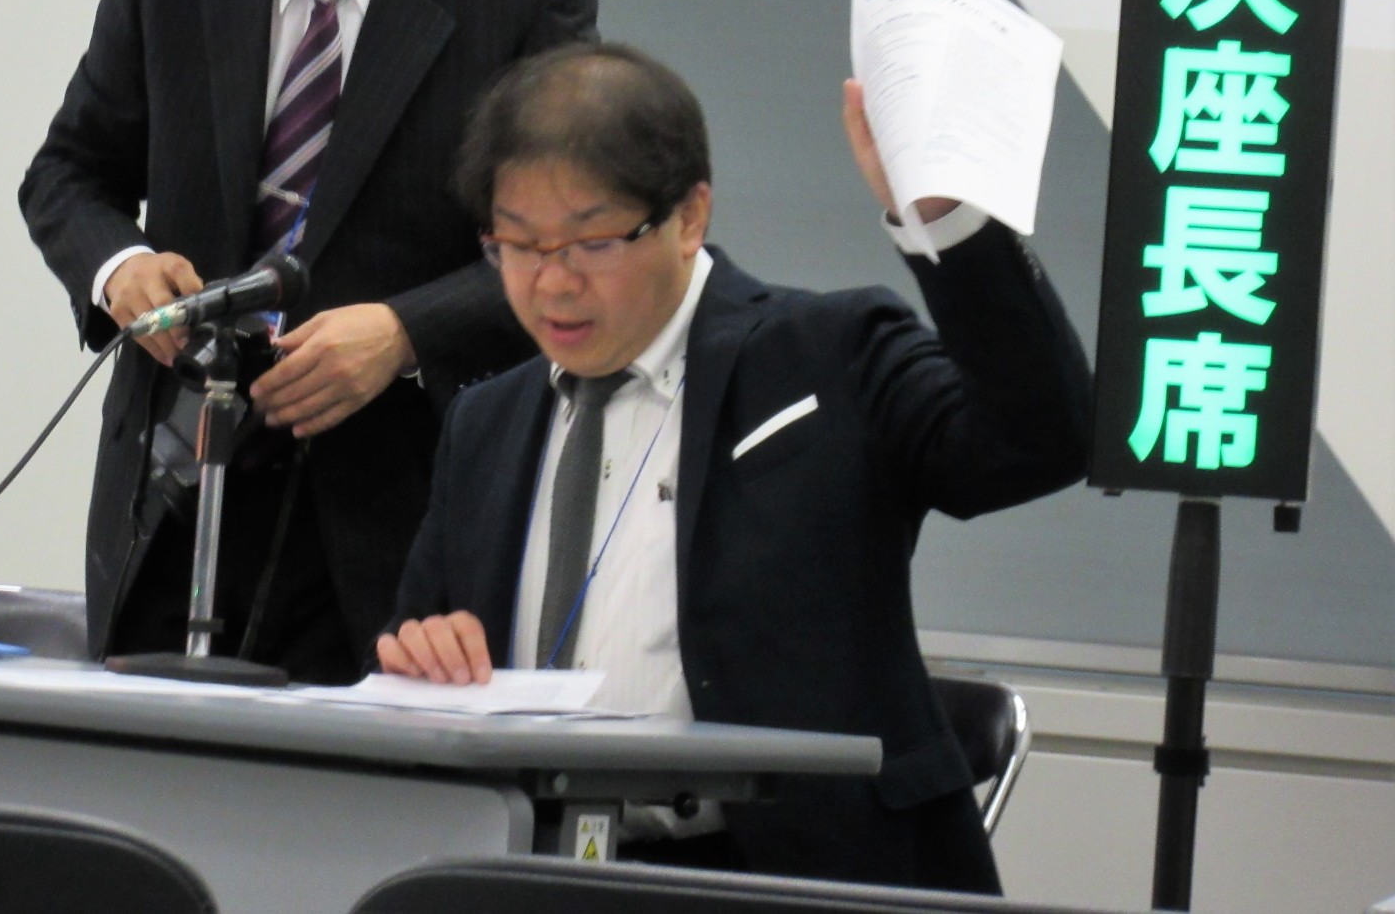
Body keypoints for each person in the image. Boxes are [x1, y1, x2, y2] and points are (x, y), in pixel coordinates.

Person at [20, 0, 597, 684]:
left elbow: (567, 251)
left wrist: (404, 333)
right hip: (174, 482)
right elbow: (66, 175)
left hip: (391, 512)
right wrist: (119, 268)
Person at [379, 44, 1091, 892]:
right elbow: (421, 644)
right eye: (519, 245)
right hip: (530, 875)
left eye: (591, 242)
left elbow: (1041, 440)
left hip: (784, 879)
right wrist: (425, 659)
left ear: (688, 217)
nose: (552, 285)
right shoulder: (486, 423)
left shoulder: (827, 356)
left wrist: (949, 224)